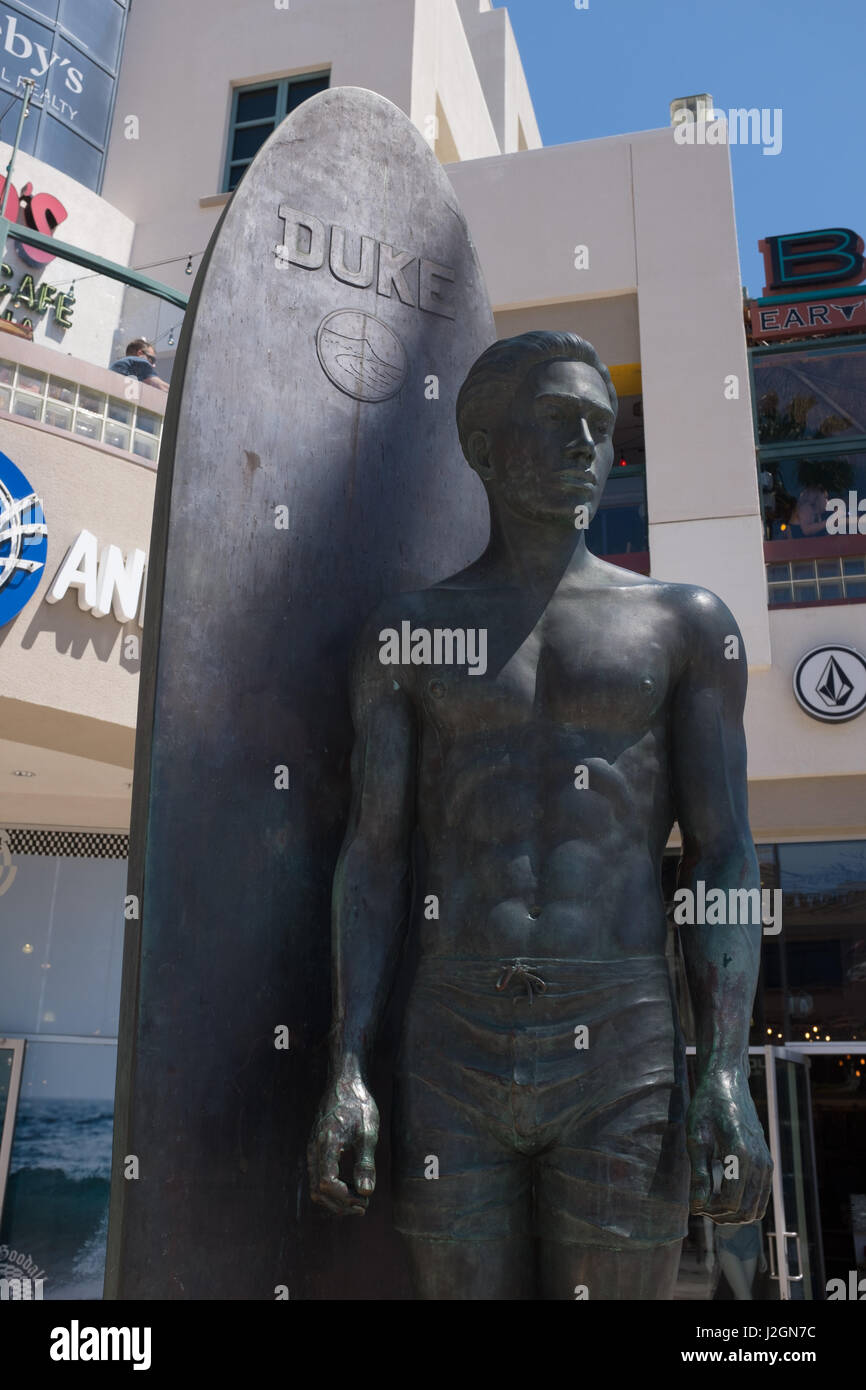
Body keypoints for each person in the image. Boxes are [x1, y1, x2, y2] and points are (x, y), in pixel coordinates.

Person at [308, 331, 773, 1300]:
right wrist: (345, 1061)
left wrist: (723, 1067)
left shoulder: (683, 625)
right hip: (451, 1036)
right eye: (557, 421)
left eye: (600, 429)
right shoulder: (408, 634)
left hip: (620, 1039)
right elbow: (375, 855)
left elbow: (723, 857)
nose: (585, 446)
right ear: (481, 445)